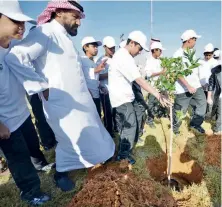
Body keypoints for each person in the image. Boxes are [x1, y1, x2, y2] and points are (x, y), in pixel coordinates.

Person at [6, 0, 115, 192]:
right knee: (68, 139)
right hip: (60, 103)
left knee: (90, 133)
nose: (79, 23)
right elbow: (16, 57)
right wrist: (41, 86)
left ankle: (94, 161)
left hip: (79, 100)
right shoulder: (45, 32)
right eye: (75, 17)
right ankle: (62, 172)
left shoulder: (63, 36)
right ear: (59, 13)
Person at [0, 0, 50, 205]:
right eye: (15, 21)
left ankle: (40, 165)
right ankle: (30, 192)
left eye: (23, 22)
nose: (21, 26)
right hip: (5, 121)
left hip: (21, 111)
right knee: (18, 158)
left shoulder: (15, 47)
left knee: (32, 145)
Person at [108, 31, 171, 164]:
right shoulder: (124, 57)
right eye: (140, 48)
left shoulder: (124, 56)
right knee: (129, 127)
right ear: (132, 43)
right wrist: (157, 95)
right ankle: (123, 156)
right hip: (121, 99)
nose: (140, 52)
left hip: (126, 97)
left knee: (135, 119)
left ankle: (128, 150)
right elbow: (139, 80)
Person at [173, 29, 207, 135]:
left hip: (196, 87)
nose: (195, 42)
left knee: (202, 104)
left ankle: (195, 124)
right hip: (183, 89)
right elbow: (177, 73)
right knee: (180, 111)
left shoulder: (192, 53)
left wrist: (200, 82)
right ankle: (175, 129)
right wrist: (188, 86)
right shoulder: (177, 55)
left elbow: (194, 70)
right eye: (195, 39)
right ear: (189, 40)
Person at [81, 36, 105, 117]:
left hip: (96, 96)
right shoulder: (82, 60)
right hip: (88, 97)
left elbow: (94, 79)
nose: (96, 48)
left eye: (97, 46)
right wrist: (96, 70)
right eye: (93, 46)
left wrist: (101, 87)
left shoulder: (93, 63)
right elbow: (81, 76)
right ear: (85, 47)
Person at [144, 41, 167, 128]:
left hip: (161, 86)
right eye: (160, 51)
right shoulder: (149, 61)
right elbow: (148, 74)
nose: (161, 52)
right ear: (155, 50)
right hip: (153, 87)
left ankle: (160, 116)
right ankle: (150, 120)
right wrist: (160, 72)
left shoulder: (159, 60)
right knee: (151, 104)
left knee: (161, 103)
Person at [97, 36, 116, 136]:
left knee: (115, 112)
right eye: (110, 48)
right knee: (107, 113)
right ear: (104, 47)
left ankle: (116, 128)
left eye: (113, 47)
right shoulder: (101, 60)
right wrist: (111, 74)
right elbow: (97, 76)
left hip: (115, 91)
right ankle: (109, 131)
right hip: (105, 91)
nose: (112, 50)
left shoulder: (116, 59)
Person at [207, 61, 221, 135]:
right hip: (219, 95)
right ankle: (218, 130)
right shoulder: (215, 71)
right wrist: (209, 97)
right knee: (219, 111)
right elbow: (211, 84)